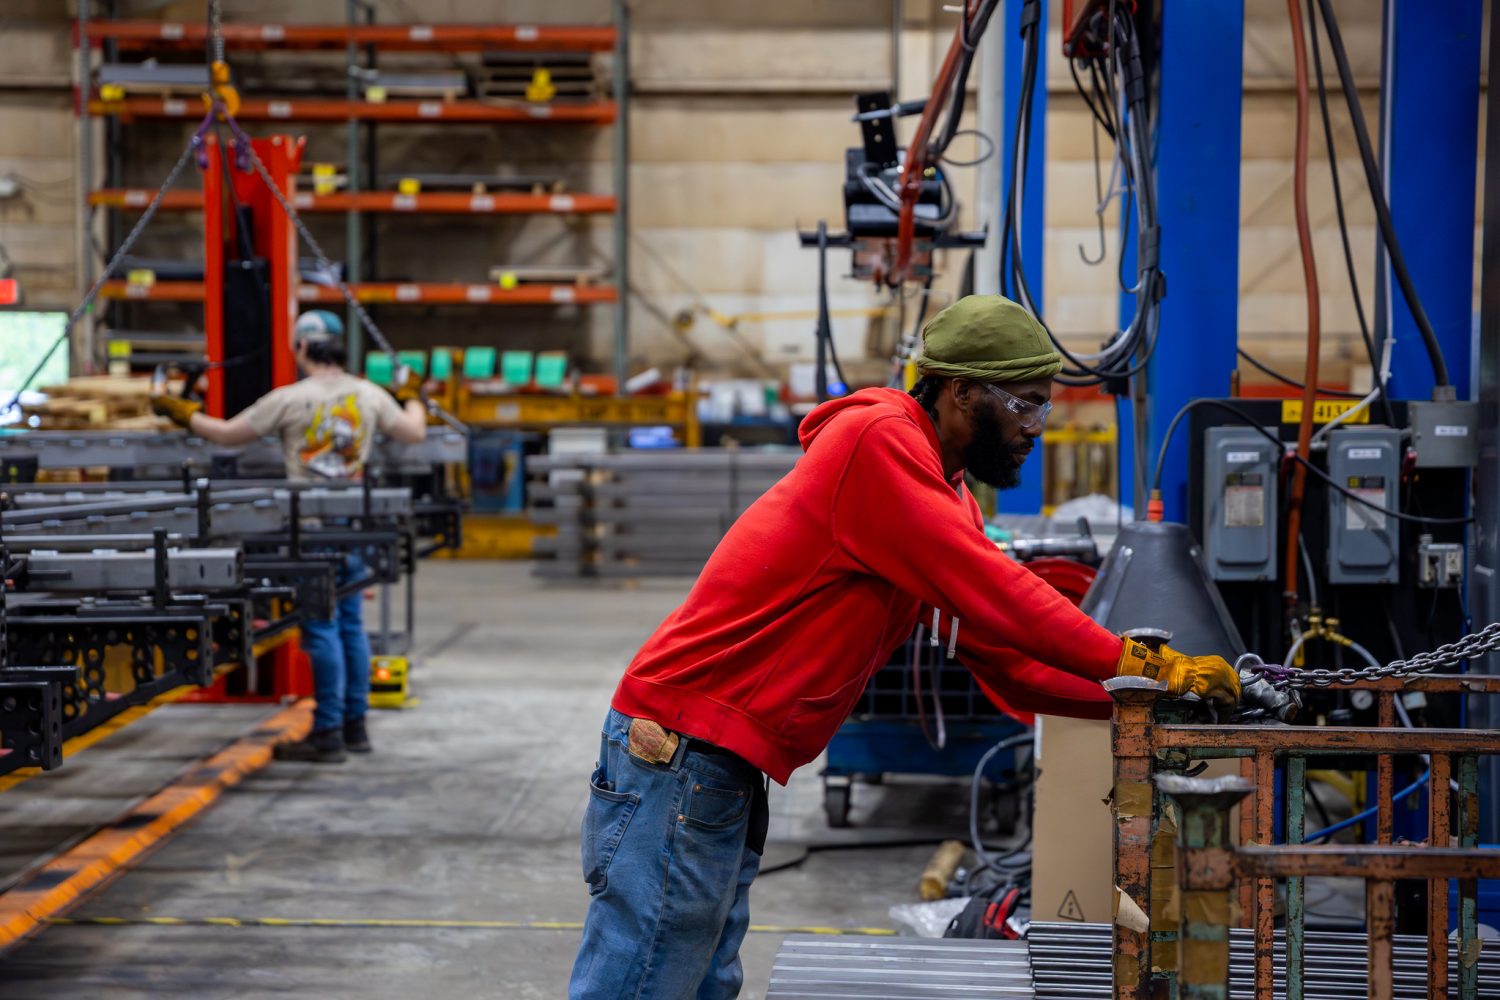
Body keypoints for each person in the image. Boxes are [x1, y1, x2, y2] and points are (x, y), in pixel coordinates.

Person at [567, 294, 1241, 1000]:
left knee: (697, 980)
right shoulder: (877, 442)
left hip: (720, 767)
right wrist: (1140, 659)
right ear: (960, 392)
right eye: (1026, 405)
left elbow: (1005, 661)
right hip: (678, 751)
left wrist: (1144, 703)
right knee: (646, 981)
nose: (1036, 428)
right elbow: (998, 591)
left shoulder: (945, 496)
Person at [151, 309, 428, 762]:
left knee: (321, 629)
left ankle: (328, 735)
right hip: (355, 526)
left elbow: (225, 435)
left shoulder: (289, 399)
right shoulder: (369, 395)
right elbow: (414, 431)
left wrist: (182, 413)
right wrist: (412, 394)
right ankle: (355, 728)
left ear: (300, 347)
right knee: (352, 626)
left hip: (311, 528)